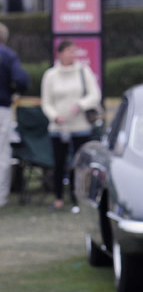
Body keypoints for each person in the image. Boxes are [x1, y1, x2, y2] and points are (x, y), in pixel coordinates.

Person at [40, 39, 102, 211]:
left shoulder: (84, 71)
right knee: (59, 163)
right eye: (69, 51)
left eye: (74, 51)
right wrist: (55, 116)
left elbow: (94, 95)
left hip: (81, 126)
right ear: (59, 53)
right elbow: (46, 102)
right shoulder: (50, 75)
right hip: (58, 128)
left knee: (80, 164)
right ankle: (59, 197)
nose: (72, 54)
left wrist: (80, 105)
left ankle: (79, 197)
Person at [0, 22, 31, 208]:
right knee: (2, 153)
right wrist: (14, 92)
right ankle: (1, 196)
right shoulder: (8, 55)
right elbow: (21, 79)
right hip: (1, 108)